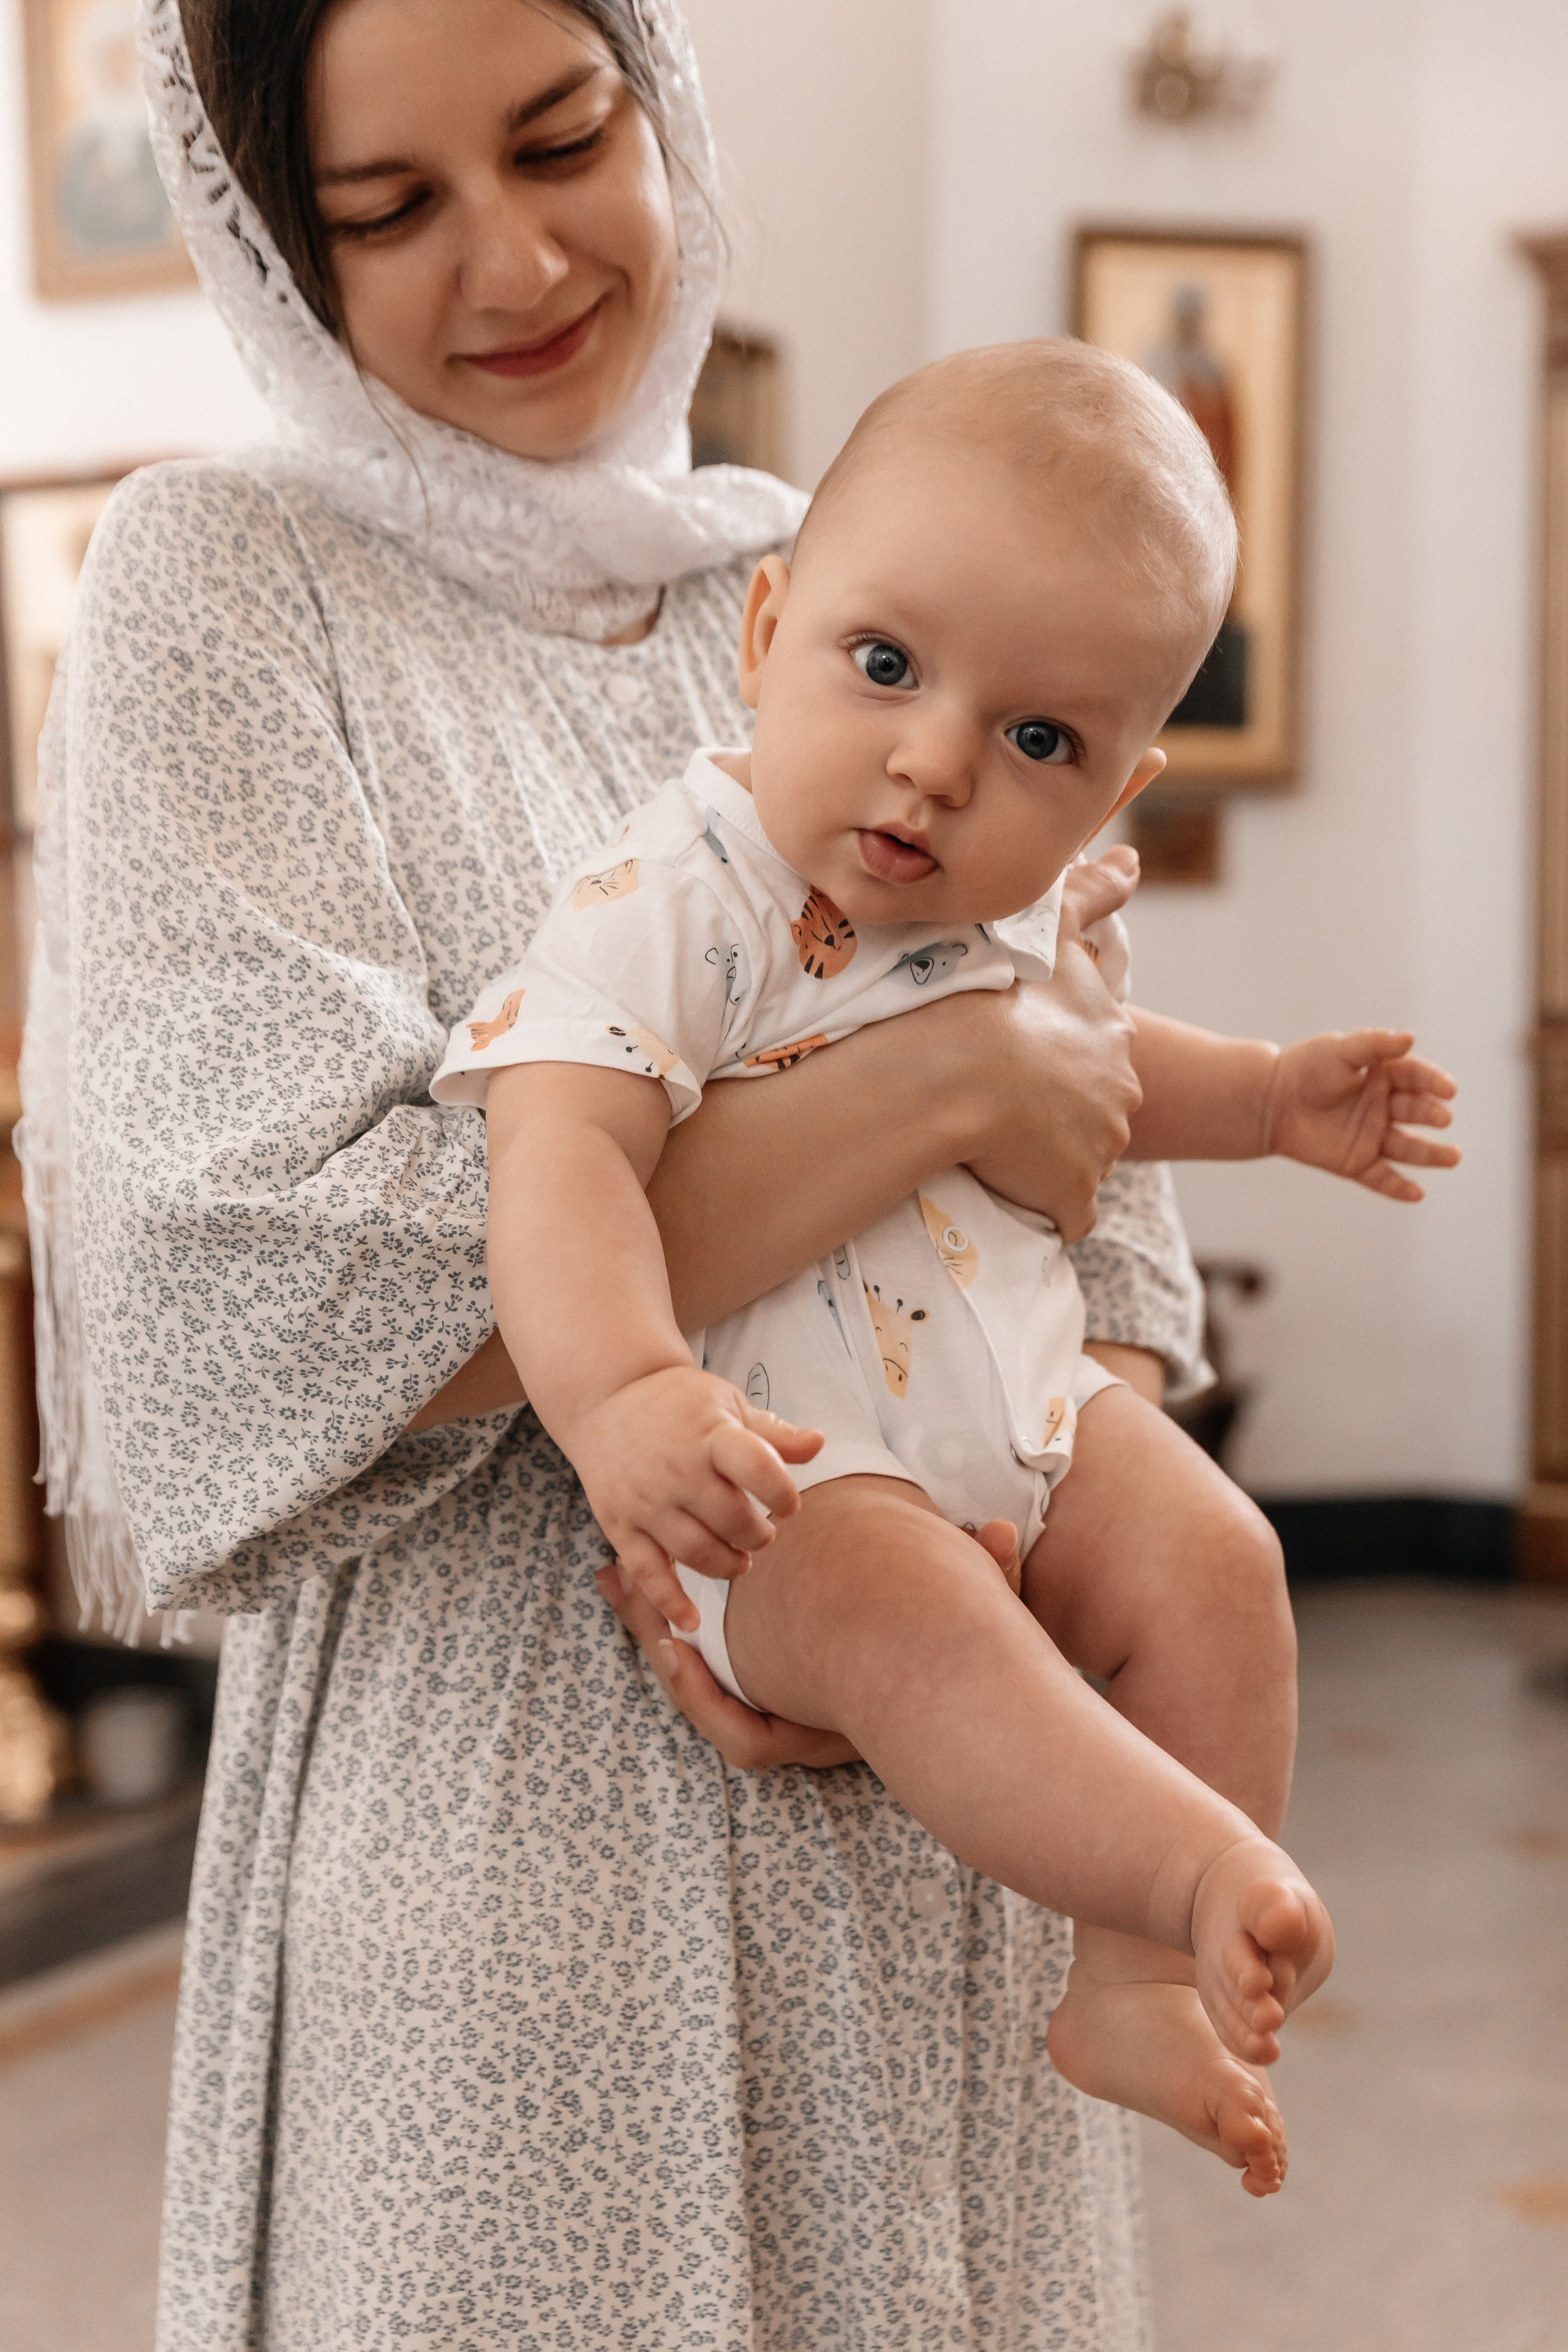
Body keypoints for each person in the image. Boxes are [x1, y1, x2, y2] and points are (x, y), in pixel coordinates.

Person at [17, 0, 1316, 2341]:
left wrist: (1002, 1587)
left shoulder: (834, 563)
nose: (512, 261)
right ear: (279, 246)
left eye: (558, 136)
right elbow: (251, 1270)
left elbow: (1100, 1199)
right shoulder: (226, 588)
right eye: (387, 210)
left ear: (661, 105)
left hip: (958, 1794)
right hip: (526, 1863)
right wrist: (943, 1087)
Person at [434, 340, 1458, 2196]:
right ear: (767, 633)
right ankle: (1183, 1869)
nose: (935, 761)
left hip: (1032, 1417)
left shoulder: (1008, 924)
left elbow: (1102, 1083)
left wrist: (1274, 1102)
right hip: (788, 1486)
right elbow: (560, 1150)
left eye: (1039, 742)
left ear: (1116, 789)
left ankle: (1135, 1980)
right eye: (887, 665)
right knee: (927, 1626)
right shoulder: (683, 890)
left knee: (1224, 1561)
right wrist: (624, 1398)